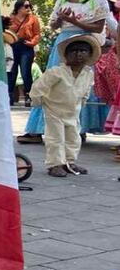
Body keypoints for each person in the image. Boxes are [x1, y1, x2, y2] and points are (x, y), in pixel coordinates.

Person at [18, 0, 109, 144]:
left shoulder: (97, 0)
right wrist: (61, 19)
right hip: (64, 42)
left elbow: (99, 26)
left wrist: (75, 21)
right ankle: (38, 128)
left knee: (80, 85)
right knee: (53, 82)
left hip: (85, 42)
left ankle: (78, 128)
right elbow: (53, 25)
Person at [30, 34, 98, 176]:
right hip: (54, 110)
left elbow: (86, 90)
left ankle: (69, 162)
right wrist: (37, 101)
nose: (78, 54)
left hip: (73, 111)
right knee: (55, 138)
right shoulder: (57, 72)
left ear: (90, 55)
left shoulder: (88, 73)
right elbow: (39, 87)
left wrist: (82, 102)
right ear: (66, 55)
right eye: (74, 51)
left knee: (73, 137)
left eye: (83, 51)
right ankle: (55, 164)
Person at [7, 0, 42, 106]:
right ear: (19, 7)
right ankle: (9, 96)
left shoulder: (33, 19)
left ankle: (28, 96)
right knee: (11, 72)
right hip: (13, 45)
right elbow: (6, 31)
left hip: (26, 46)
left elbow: (37, 34)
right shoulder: (10, 18)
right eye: (26, 6)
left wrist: (32, 42)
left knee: (26, 71)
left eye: (29, 6)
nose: (29, 8)